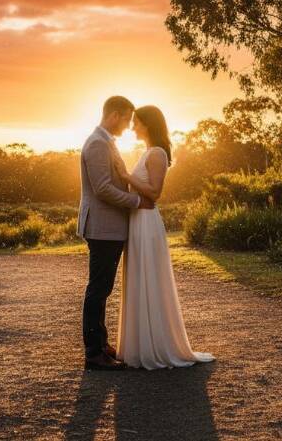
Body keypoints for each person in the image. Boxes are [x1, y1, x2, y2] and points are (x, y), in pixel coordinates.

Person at [113, 105, 215, 369]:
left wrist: (125, 176)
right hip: (138, 221)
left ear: (149, 124)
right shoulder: (146, 152)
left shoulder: (156, 153)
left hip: (147, 223)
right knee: (139, 278)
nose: (133, 127)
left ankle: (155, 346)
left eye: (137, 122)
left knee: (149, 279)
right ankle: (138, 345)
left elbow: (155, 192)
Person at [77, 96, 154, 371]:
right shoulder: (98, 144)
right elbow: (103, 189)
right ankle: (93, 353)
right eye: (126, 119)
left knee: (103, 287)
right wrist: (136, 202)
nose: (128, 125)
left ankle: (101, 343)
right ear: (113, 116)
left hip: (108, 226)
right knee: (98, 288)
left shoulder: (106, 141)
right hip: (102, 226)